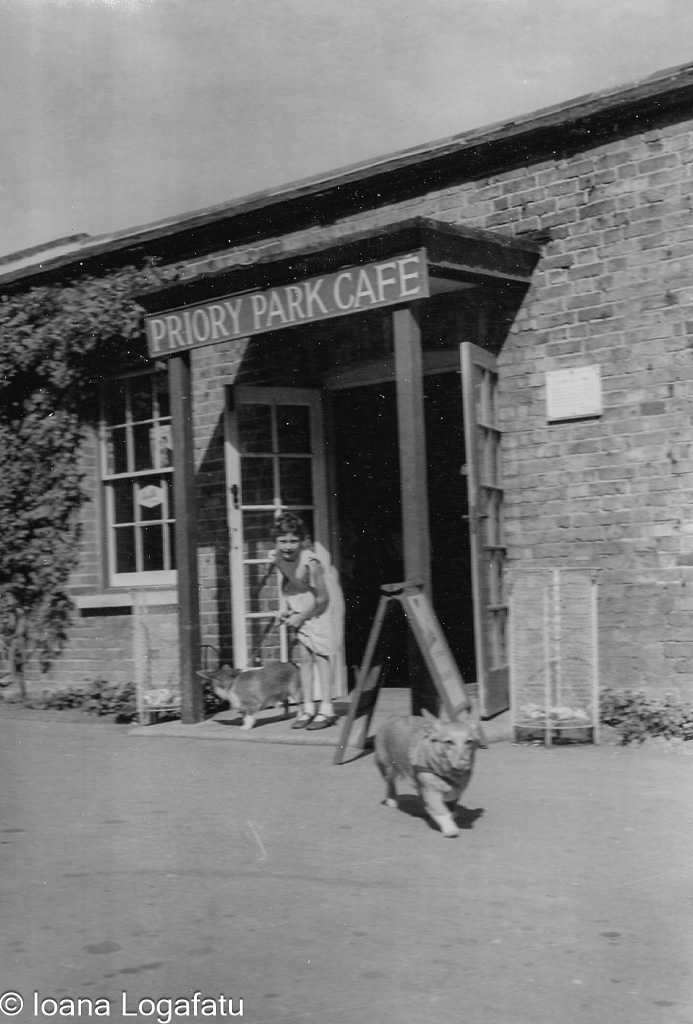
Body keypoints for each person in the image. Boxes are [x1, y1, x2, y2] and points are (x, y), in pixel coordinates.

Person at [270, 512, 341, 730]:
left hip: (322, 605)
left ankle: (327, 709)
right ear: (276, 541)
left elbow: (323, 597)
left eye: (293, 541)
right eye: (283, 541)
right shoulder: (278, 557)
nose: (288, 546)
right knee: (305, 657)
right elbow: (283, 580)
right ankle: (308, 707)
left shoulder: (311, 562)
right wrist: (283, 607)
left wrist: (300, 616)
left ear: (302, 541)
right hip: (301, 600)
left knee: (321, 654)